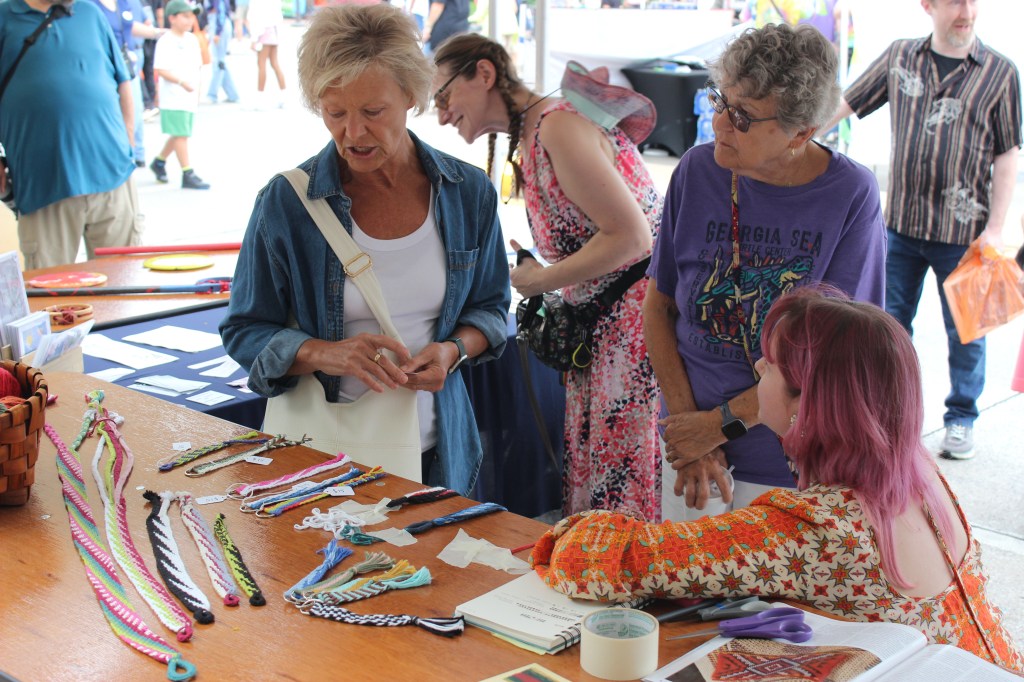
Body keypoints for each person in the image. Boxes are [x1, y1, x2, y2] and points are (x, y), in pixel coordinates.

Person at [532, 287, 1024, 674]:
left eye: (772, 364)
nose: (760, 366)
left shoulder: (816, 529)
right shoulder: (920, 473)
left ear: (806, 404)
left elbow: (595, 559)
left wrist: (570, 527)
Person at [219, 4, 510, 496]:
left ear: (411, 97)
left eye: (373, 112)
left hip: (440, 452)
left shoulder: (468, 192)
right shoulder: (286, 203)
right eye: (335, 113)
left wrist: (452, 350)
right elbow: (244, 331)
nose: (353, 132)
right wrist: (324, 353)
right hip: (325, 461)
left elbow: (492, 309)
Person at [646, 23, 886, 523]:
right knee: (684, 595)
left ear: (802, 133)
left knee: (771, 604)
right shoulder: (695, 171)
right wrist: (691, 433)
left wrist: (719, 426)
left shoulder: (850, 195)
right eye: (720, 100)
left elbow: (833, 356)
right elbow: (659, 305)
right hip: (692, 455)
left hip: (792, 464)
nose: (719, 123)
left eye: (743, 117)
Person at [433, 35, 664, 520]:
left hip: (631, 332)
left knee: (619, 483)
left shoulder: (556, 126)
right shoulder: (537, 130)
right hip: (608, 331)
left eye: (443, 96)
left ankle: (622, 583)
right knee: (604, 479)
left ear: (483, 74)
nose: (440, 115)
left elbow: (632, 238)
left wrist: (544, 279)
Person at [827, 0, 1022, 462]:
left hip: (967, 233)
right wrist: (794, 135)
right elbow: (847, 103)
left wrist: (997, 228)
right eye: (955, 1)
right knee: (887, 327)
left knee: (966, 334)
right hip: (901, 228)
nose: (967, 11)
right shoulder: (899, 57)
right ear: (928, 5)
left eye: (974, 1)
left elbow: (1009, 153)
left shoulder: (1001, 72)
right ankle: (890, 419)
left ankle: (960, 418)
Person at [0, 0, 144, 269]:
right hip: (43, 184)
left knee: (126, 285)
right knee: (50, 298)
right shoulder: (4, 16)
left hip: (112, 175)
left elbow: (123, 80)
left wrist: (127, 141)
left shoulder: (89, 12)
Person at [149, 0, 209, 189]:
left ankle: (159, 162)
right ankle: (187, 172)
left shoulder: (192, 39)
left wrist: (197, 91)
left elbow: (198, 66)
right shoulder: (166, 40)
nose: (190, 20)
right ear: (172, 18)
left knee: (179, 134)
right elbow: (160, 68)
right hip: (173, 96)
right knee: (180, 134)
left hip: (189, 97)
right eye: (185, 16)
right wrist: (182, 83)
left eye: (191, 16)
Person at [246, 0, 285, 109]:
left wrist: (254, 39)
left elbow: (256, 18)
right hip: (274, 31)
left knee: (261, 65)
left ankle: (260, 99)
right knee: (275, 64)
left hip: (263, 32)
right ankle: (283, 96)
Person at [205, 0, 238, 103]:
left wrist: (218, 32)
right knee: (221, 61)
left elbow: (220, 9)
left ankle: (212, 94)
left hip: (219, 23)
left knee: (219, 62)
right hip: (220, 22)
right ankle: (232, 94)